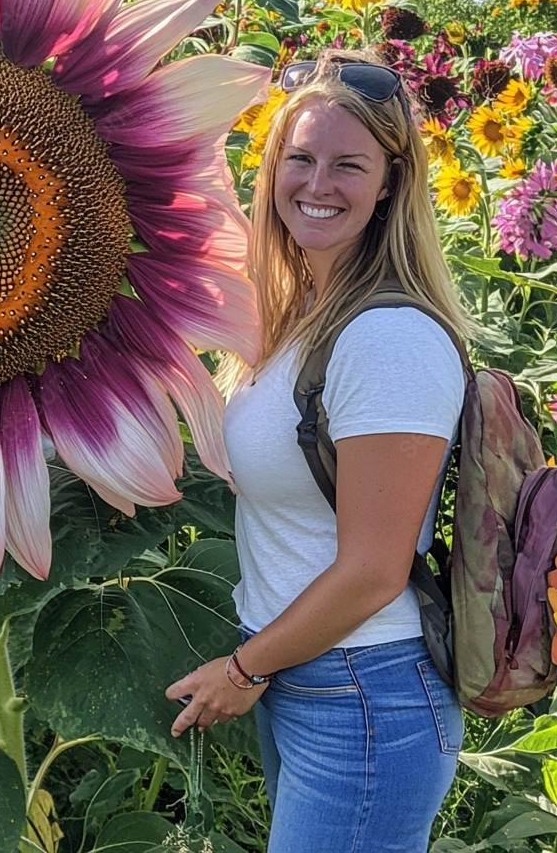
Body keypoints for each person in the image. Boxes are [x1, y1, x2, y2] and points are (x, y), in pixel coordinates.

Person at [165, 49, 475, 852]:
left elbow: (373, 570)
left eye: (349, 165)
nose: (317, 183)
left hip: (362, 694)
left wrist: (243, 670)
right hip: (306, 678)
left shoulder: (387, 338)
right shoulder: (302, 314)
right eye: (299, 158)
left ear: (390, 185)